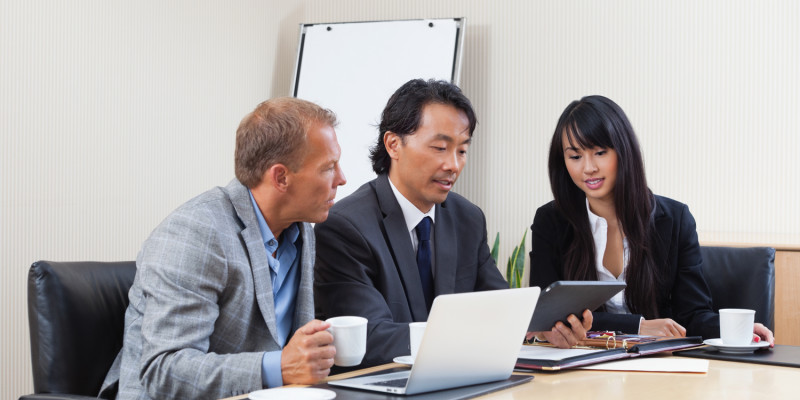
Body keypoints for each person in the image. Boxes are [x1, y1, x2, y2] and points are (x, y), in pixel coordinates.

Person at [314, 79, 590, 368]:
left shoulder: (467, 218)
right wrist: (467, 335)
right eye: (440, 148)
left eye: (462, 151)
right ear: (393, 145)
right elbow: (370, 338)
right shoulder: (344, 226)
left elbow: (502, 308)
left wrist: (538, 328)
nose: (454, 165)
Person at [99, 98, 348, 399]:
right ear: (281, 177)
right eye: (328, 168)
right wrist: (279, 367)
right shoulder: (196, 233)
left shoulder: (301, 230)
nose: (342, 179)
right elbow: (165, 371)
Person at [529, 95, 774, 344]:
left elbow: (692, 315)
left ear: (623, 151)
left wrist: (735, 328)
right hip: (582, 362)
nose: (588, 167)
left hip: (657, 365)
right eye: (575, 156)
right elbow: (546, 317)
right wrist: (638, 326)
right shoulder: (550, 221)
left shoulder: (675, 219)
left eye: (600, 152)